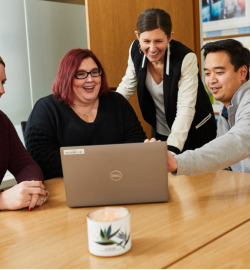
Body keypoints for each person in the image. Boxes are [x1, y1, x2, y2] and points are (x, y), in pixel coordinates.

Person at [160, 39, 250, 179]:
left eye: (219, 72)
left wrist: (178, 162)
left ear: (242, 72)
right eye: (208, 74)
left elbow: (233, 146)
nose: (211, 80)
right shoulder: (227, 112)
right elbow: (226, 165)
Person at [25, 49, 146, 180]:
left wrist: (91, 163)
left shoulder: (117, 101)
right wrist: (105, 162)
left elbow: (137, 144)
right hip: (66, 186)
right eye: (81, 74)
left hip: (117, 180)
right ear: (66, 77)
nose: (90, 79)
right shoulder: (46, 108)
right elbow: (43, 160)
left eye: (95, 72)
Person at [116, 8, 216, 156]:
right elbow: (127, 86)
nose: (152, 48)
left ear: (170, 37)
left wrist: (172, 150)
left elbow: (185, 108)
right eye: (146, 41)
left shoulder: (185, 58)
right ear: (137, 36)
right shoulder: (135, 51)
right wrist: (106, 109)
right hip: (161, 130)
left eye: (158, 41)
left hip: (194, 130)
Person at [0, 56, 49, 211]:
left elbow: (25, 165)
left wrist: (32, 189)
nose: (2, 90)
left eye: (3, 82)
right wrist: (2, 201)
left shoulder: (1, 121)